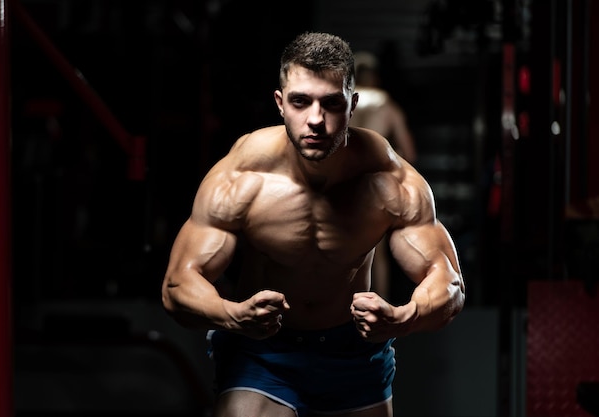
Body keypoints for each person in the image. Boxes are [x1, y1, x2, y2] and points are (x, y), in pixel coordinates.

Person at [161, 32, 465, 417]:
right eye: (300, 102)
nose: (316, 120)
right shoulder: (242, 175)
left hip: (353, 353)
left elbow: (450, 285)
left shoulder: (391, 181)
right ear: (280, 103)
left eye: (331, 103)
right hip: (265, 351)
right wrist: (231, 315)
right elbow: (177, 286)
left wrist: (405, 318)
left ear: (352, 104)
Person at [349, 51, 418, 301]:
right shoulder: (386, 104)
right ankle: (379, 312)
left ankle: (340, 315)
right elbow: (409, 152)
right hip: (376, 184)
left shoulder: (340, 103)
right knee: (378, 255)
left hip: (342, 180)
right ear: (375, 77)